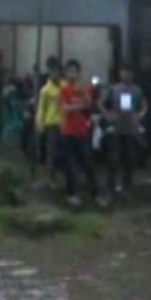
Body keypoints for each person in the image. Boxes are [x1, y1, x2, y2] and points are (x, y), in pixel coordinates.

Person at [60, 59, 105, 207]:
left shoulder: (86, 87)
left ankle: (95, 193)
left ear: (79, 73)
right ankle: (72, 194)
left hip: (83, 131)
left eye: (74, 71)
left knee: (88, 162)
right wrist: (80, 106)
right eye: (69, 71)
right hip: (68, 131)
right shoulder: (64, 89)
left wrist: (82, 93)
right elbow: (64, 108)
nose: (71, 74)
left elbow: (90, 104)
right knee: (70, 164)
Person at [99, 64, 147, 195]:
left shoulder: (137, 90)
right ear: (120, 73)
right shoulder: (113, 89)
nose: (126, 75)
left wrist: (139, 116)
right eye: (124, 72)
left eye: (128, 72)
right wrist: (107, 115)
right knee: (113, 158)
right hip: (115, 127)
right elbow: (101, 103)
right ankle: (111, 185)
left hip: (130, 128)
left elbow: (144, 105)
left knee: (130, 158)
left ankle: (126, 185)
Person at [35, 56, 64, 189]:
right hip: (51, 123)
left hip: (64, 123)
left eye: (57, 71)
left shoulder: (64, 86)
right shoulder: (46, 90)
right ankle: (51, 177)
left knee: (63, 151)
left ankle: (61, 175)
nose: (55, 74)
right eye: (53, 72)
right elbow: (42, 107)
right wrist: (39, 123)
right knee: (52, 152)